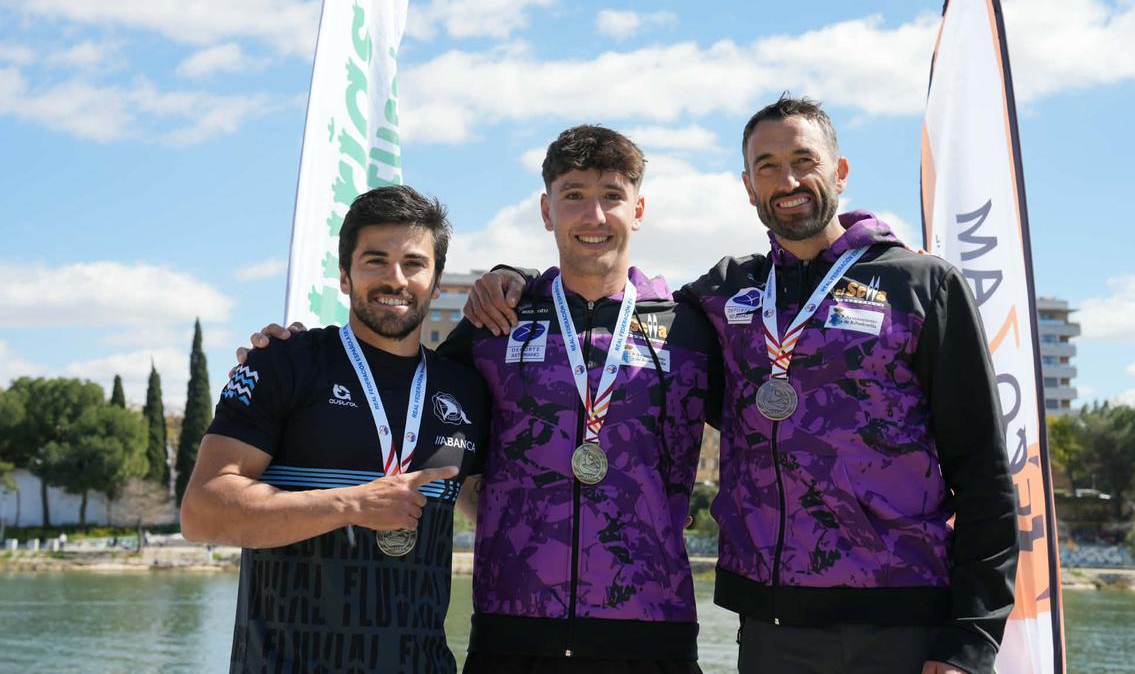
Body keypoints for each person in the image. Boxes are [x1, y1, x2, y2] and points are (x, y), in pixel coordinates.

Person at [466, 97, 1019, 674]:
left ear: (841, 171)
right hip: (771, 625)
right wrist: (521, 282)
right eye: (767, 166)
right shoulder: (725, 295)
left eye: (804, 160)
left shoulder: (921, 285)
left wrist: (970, 641)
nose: (789, 180)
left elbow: (982, 470)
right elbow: (607, 310)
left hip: (905, 617)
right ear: (749, 186)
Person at [245, 126, 721, 673]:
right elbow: (401, 391)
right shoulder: (495, 326)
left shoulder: (690, 331)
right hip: (510, 633)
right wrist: (288, 358)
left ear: (638, 209)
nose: (594, 215)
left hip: (654, 633)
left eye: (612, 195)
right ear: (546, 210)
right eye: (573, 196)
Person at [182, 185, 489, 673]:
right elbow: (201, 512)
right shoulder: (284, 363)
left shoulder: (467, 390)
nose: (395, 278)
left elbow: (490, 504)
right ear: (344, 276)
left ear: (435, 280)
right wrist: (351, 504)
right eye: (374, 261)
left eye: (413, 263)